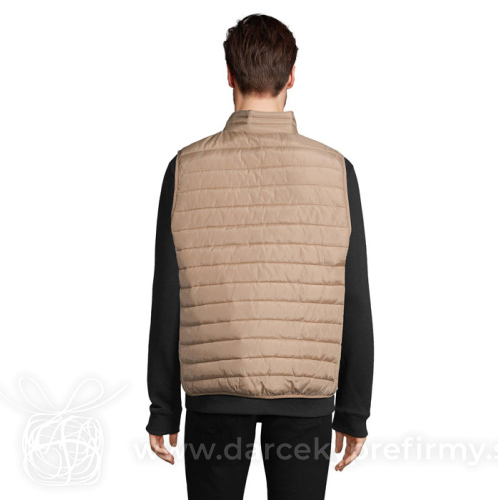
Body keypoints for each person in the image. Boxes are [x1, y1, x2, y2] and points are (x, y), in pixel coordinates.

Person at [146, 13, 374, 500]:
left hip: (213, 395)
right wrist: (354, 410)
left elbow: (167, 293)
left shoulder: (185, 168)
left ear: (229, 75)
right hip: (306, 397)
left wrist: (163, 408)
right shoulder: (336, 171)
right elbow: (354, 295)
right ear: (291, 77)